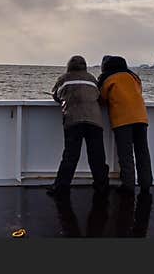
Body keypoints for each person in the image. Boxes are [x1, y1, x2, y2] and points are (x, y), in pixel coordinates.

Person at [46, 55, 110, 196]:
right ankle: (102, 186)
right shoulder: (92, 79)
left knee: (71, 155)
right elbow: (98, 97)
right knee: (97, 156)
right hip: (94, 121)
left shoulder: (64, 78)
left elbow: (56, 95)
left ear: (69, 66)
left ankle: (61, 187)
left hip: (73, 120)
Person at [98, 55, 152, 196]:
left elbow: (102, 98)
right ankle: (146, 183)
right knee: (142, 152)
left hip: (122, 120)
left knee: (126, 154)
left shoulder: (108, 78)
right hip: (141, 117)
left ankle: (128, 185)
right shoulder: (133, 77)